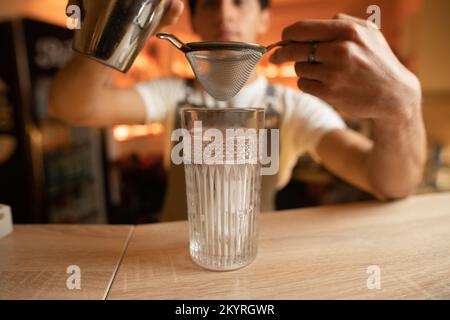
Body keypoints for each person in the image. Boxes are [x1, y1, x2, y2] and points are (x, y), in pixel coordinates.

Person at [49, 0, 426, 221]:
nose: (225, 14)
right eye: (211, 2)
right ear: (194, 21)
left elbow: (388, 182)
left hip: (258, 258)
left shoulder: (292, 106)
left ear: (264, 18)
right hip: (169, 257)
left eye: (239, 1)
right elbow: (71, 107)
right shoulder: (172, 95)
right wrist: (121, 26)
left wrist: (402, 108)